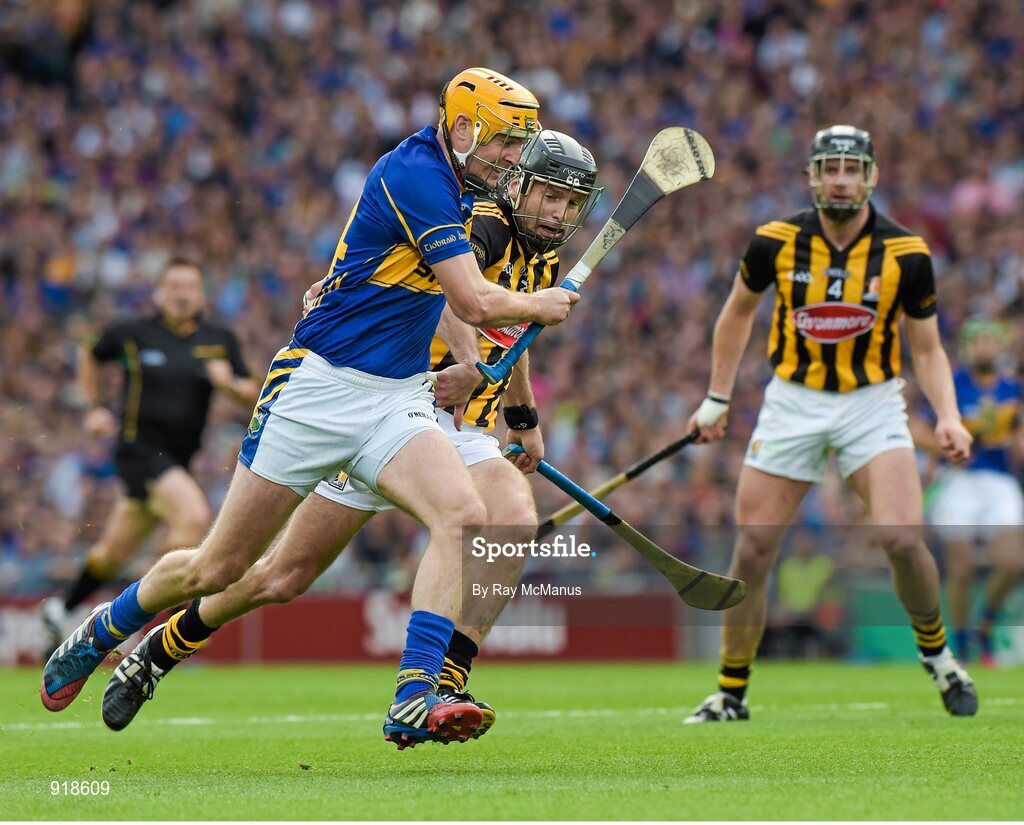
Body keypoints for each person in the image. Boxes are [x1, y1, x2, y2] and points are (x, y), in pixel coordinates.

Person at [42, 68, 578, 749]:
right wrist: (539, 305)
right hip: (317, 390)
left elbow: (433, 289)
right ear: (465, 129)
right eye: (505, 143)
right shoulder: (418, 174)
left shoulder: (470, 189)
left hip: (396, 398)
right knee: (219, 567)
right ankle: (105, 627)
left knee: (465, 514)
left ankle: (415, 694)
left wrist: (486, 370)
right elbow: (472, 299)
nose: (513, 159)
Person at [683, 125, 978, 723]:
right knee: (755, 547)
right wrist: (716, 396)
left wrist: (948, 416)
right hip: (793, 401)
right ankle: (731, 693)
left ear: (871, 177)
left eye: (852, 168)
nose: (840, 178)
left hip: (872, 402)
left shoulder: (906, 253)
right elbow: (736, 314)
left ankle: (938, 654)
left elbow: (927, 350)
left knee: (900, 538)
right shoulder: (775, 241)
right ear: (812, 177)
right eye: (829, 168)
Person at [40, 258, 259, 654]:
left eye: (188, 286)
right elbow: (91, 352)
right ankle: (149, 629)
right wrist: (92, 406)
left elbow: (252, 390)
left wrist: (229, 386)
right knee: (191, 515)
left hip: (177, 460)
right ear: (160, 292)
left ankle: (60, 609)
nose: (180, 294)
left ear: (201, 293)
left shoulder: (218, 339)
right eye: (173, 286)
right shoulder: (135, 332)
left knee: (112, 554)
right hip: (138, 451)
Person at [917, 317, 1024, 665]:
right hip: (958, 480)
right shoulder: (951, 385)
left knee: (1013, 562)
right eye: (976, 340)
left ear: (1000, 345)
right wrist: (947, 447)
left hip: (1000, 479)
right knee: (960, 567)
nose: (983, 346)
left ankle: (986, 623)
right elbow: (922, 429)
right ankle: (961, 641)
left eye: (989, 340)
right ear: (966, 346)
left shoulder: (1013, 389)